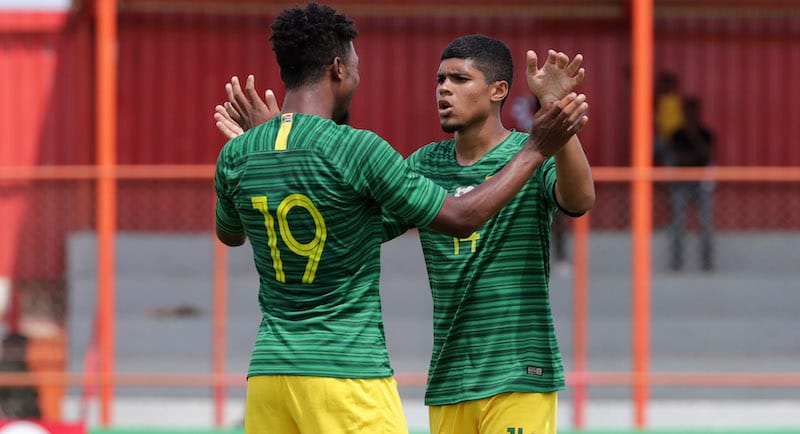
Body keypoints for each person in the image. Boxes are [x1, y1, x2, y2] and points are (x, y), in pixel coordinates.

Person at [212, 4, 589, 434]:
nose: (444, 89)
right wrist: (287, 150)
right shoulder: (413, 160)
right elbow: (389, 221)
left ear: (498, 90)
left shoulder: (238, 154)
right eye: (440, 80)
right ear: (338, 68)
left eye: (459, 79)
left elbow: (580, 200)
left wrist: (276, 147)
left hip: (516, 369)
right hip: (400, 374)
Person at [667, 96, 715, 271]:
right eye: (688, 111)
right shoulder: (677, 135)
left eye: (693, 111)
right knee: (678, 223)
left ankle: (707, 263)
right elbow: (679, 159)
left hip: (701, 184)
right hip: (682, 184)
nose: (690, 115)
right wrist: (695, 158)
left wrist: (694, 138)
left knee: (706, 223)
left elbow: (707, 156)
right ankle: (676, 262)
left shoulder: (705, 134)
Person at [0, 332, 41, 418]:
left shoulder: (24, 368)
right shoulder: (5, 368)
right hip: (11, 417)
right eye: (18, 346)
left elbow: (31, 399)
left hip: (26, 416)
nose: (23, 350)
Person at [653, 71, 684, 166]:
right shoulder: (659, 99)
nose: (666, 86)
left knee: (670, 161)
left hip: (672, 141)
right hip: (661, 139)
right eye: (664, 84)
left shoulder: (674, 100)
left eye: (668, 84)